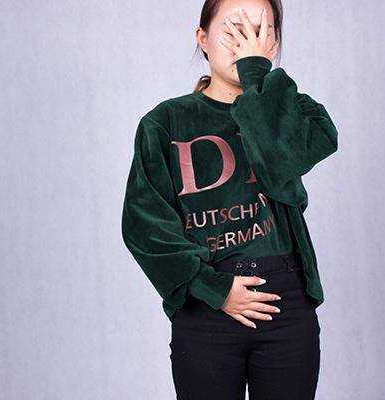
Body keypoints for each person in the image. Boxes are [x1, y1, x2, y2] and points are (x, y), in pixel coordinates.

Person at [121, 1, 338, 398]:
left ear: (273, 44)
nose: (245, 42)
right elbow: (144, 226)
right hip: (206, 304)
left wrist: (257, 75)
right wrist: (214, 288)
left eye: (259, 30)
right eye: (234, 28)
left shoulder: (293, 109)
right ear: (202, 38)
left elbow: (285, 159)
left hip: (285, 300)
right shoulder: (164, 122)